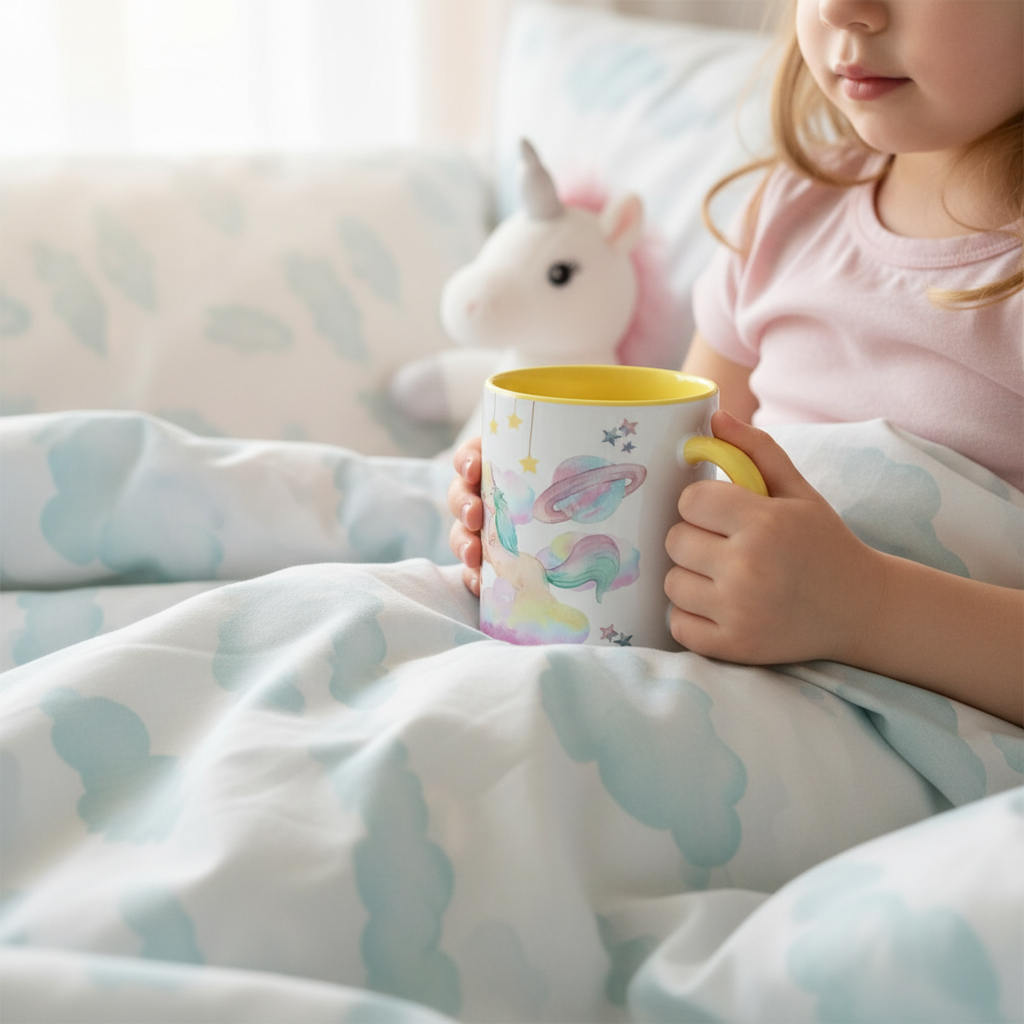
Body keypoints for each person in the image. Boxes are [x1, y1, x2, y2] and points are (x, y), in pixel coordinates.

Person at [448, 0, 1024, 728]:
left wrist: (868, 607)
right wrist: (526, 538)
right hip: (696, 666)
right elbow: (680, 476)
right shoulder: (786, 213)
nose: (844, 9)